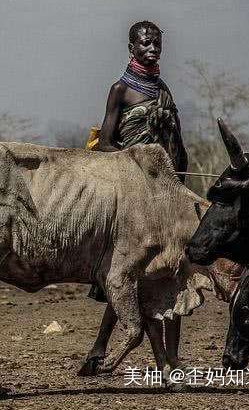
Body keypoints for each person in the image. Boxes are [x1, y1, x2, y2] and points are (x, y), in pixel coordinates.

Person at [87, 21, 189, 303]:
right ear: (131, 48)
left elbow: (178, 145)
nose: (153, 48)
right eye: (146, 43)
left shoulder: (163, 90)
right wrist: (138, 162)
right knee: (130, 264)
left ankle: (101, 344)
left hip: (161, 184)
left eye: (157, 43)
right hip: (131, 183)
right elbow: (105, 143)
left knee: (150, 267)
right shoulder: (120, 90)